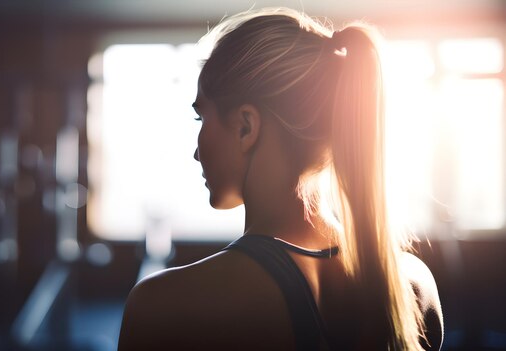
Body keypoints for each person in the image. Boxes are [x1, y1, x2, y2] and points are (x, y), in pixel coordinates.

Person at [118, 7, 443, 350]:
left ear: (246, 126)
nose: (196, 152)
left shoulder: (165, 306)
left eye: (201, 118)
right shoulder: (412, 284)